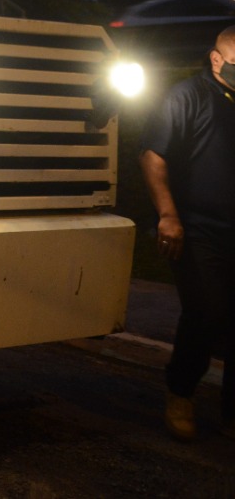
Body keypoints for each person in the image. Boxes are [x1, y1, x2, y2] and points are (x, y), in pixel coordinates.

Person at [139, 25, 235, 442]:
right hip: (197, 228)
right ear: (216, 60)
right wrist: (168, 215)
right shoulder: (185, 97)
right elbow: (152, 155)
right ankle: (180, 391)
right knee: (207, 312)